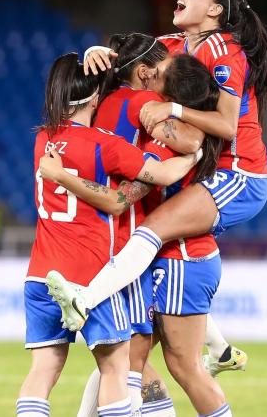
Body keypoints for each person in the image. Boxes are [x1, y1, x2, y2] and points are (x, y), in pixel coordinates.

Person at [63, 0, 267, 375]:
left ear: (216, 10)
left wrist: (174, 110)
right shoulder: (172, 45)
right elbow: (127, 59)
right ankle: (218, 349)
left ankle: (84, 299)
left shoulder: (226, 51)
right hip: (199, 171)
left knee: (152, 231)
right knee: (153, 264)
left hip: (239, 174)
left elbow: (228, 125)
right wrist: (98, 51)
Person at [44, 54, 231, 417]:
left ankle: (219, 349)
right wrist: (95, 55)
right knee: (125, 358)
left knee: (173, 366)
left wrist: (66, 177)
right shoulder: (150, 122)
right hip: (152, 257)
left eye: (158, 73)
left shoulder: (170, 134)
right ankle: (221, 349)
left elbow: (122, 198)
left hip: (178, 256)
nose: (149, 74)